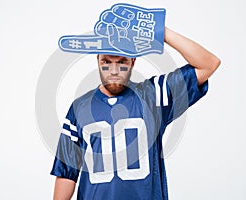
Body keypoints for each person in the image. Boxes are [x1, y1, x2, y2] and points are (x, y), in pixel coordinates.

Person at [50, 27, 221, 200]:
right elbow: (66, 173)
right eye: (106, 62)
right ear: (98, 61)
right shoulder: (79, 108)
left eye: (122, 62)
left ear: (133, 61)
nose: (114, 71)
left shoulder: (153, 96)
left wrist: (161, 32)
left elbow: (208, 64)